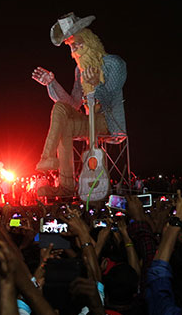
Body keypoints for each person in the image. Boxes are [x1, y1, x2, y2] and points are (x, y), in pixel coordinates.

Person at [32, 12, 127, 194]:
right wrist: (52, 83)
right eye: (71, 47)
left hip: (109, 122)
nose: (75, 50)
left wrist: (95, 86)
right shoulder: (80, 70)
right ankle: (58, 173)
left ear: (90, 41)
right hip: (89, 121)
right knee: (60, 110)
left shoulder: (114, 64)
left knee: (66, 125)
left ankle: (68, 181)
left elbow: (109, 99)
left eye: (78, 44)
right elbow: (73, 104)